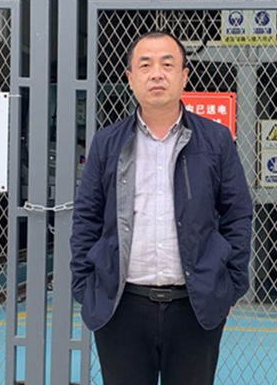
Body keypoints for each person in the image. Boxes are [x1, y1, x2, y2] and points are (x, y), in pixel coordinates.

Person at [70, 30, 252, 385]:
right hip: (121, 305)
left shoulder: (215, 140)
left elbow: (237, 214)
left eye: (167, 65)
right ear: (130, 78)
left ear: (184, 76)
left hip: (194, 306)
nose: (156, 74)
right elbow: (86, 218)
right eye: (145, 65)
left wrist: (229, 286)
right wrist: (85, 285)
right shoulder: (107, 143)